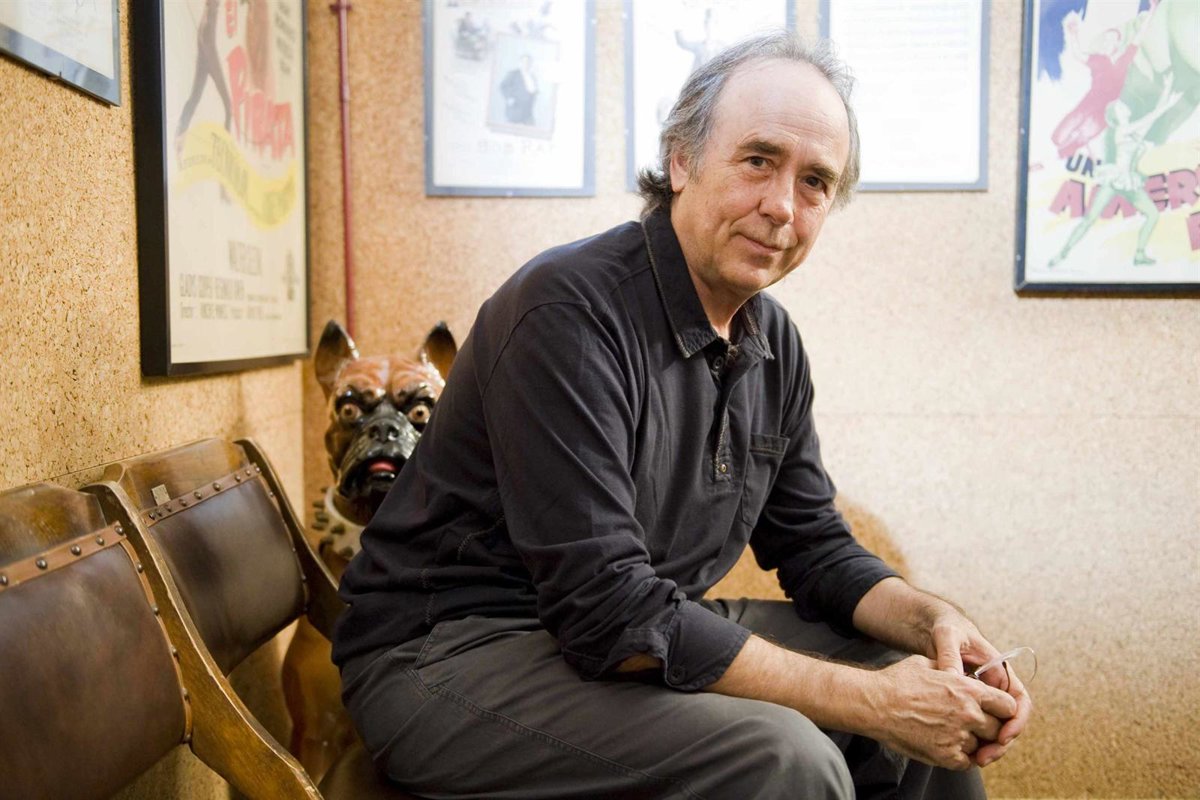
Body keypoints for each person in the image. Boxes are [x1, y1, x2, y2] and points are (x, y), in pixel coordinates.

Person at [333, 31, 1032, 799]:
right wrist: (875, 704)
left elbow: (813, 545)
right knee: (786, 756)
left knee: (923, 683)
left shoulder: (774, 342)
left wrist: (934, 623)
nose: (781, 206)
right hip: (448, 654)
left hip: (621, 632)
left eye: (814, 182)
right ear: (681, 161)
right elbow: (605, 606)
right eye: (758, 160)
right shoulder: (567, 313)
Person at [499, 54, 538, 125]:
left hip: (527, 112)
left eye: (528, 62)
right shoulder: (513, 74)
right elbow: (503, 86)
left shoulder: (532, 77)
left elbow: (533, 91)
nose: (526, 64)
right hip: (515, 109)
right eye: (524, 62)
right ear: (520, 63)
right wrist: (509, 98)